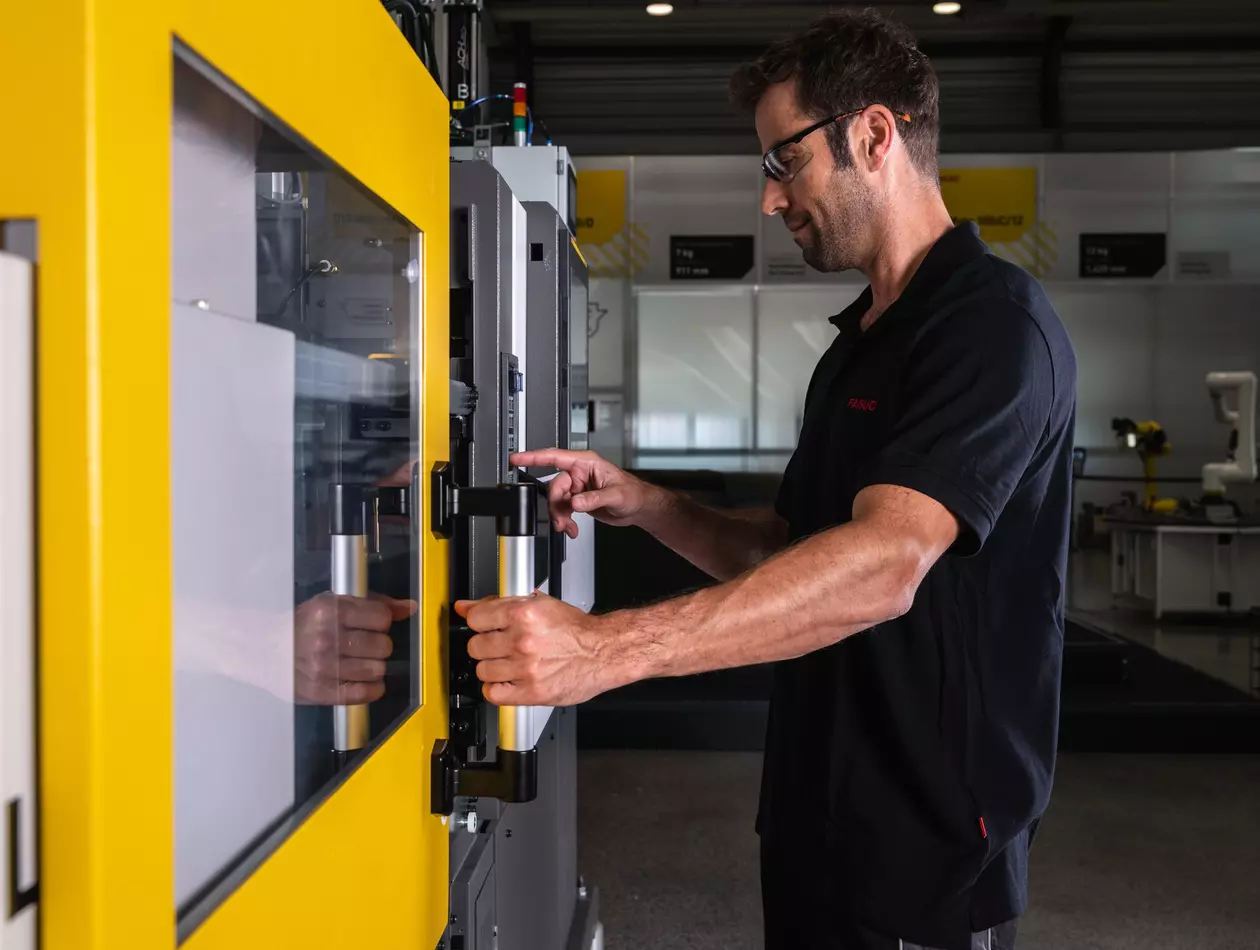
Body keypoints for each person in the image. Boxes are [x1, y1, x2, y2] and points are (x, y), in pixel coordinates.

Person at [455, 10, 1076, 950]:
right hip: (816, 817)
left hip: (926, 849)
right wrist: (644, 502)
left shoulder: (990, 329)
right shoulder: (859, 345)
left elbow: (882, 565)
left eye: (785, 162)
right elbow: (793, 548)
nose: (772, 199)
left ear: (874, 135)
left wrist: (601, 653)